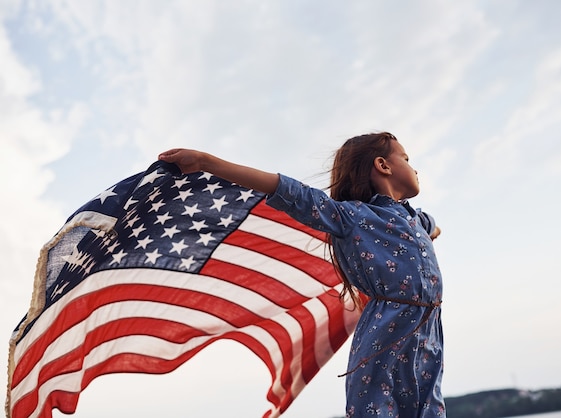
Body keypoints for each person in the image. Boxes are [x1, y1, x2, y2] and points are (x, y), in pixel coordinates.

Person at [159, 132, 446, 418]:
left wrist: (425, 234)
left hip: (429, 333)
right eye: (407, 159)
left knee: (430, 410)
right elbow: (288, 190)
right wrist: (206, 162)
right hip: (386, 333)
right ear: (383, 165)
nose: (414, 167)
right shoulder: (352, 217)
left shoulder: (416, 219)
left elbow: (432, 227)